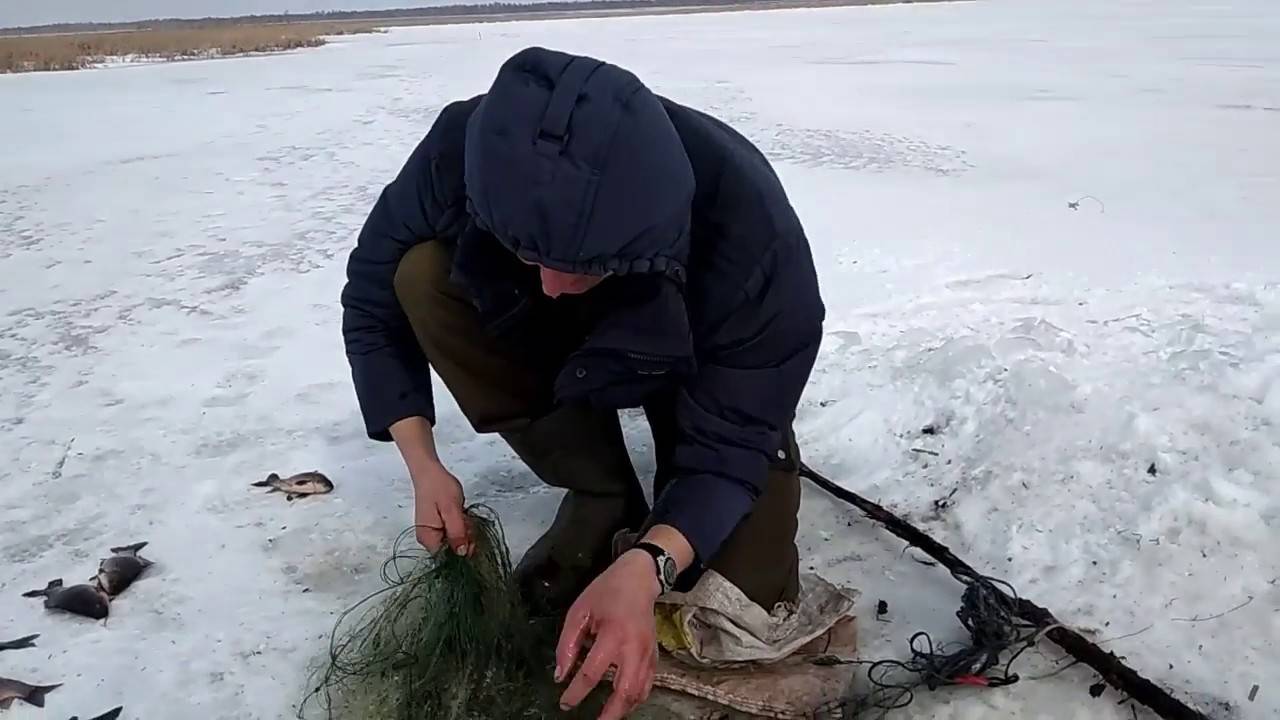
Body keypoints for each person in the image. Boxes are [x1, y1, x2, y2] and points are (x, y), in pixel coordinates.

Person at [339, 46, 825, 720]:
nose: (551, 285)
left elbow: (734, 443)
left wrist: (650, 563)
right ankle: (601, 491)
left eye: (583, 266)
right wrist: (422, 462)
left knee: (742, 594)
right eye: (531, 255)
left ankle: (654, 517)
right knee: (420, 274)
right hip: (576, 342)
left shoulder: (755, 241)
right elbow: (371, 299)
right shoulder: (465, 149)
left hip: (700, 360)